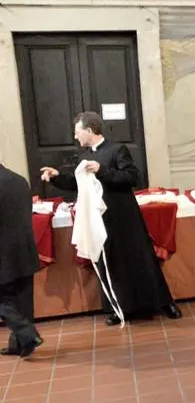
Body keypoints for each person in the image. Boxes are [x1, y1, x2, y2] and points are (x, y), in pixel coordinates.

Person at [41, 112, 181, 326]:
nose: (76, 137)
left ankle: (164, 302)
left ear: (89, 131)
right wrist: (56, 177)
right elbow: (76, 184)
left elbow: (132, 177)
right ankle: (119, 308)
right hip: (100, 219)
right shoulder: (84, 155)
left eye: (78, 132)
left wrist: (103, 170)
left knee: (142, 259)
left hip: (125, 216)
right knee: (110, 263)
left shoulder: (117, 150)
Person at [0, 164, 42, 358]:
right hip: (24, 248)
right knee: (22, 299)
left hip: (4, 251)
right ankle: (20, 344)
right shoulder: (18, 180)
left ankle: (27, 334)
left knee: (5, 300)